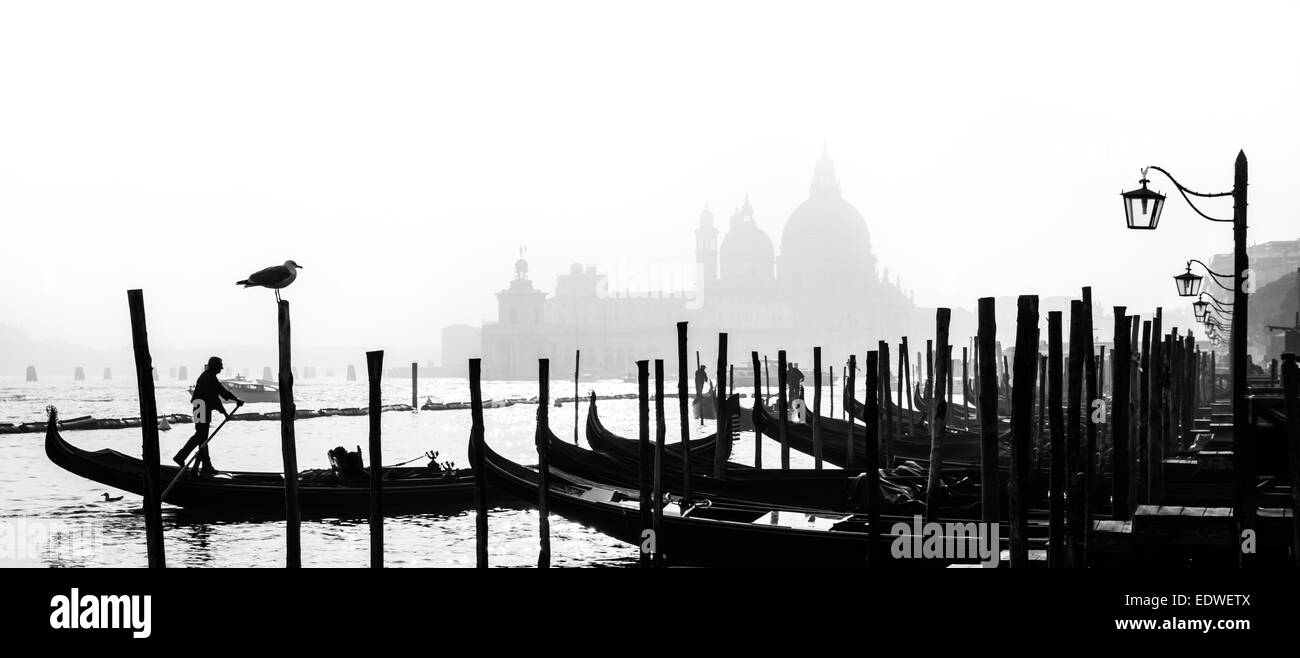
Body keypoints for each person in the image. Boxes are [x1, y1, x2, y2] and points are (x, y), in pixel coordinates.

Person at [174, 356, 243, 476]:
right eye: (220, 365)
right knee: (200, 437)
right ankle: (181, 456)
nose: (222, 367)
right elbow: (216, 397)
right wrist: (227, 411)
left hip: (201, 407)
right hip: (200, 407)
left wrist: (234, 400)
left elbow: (220, 392)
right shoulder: (209, 377)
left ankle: (204, 466)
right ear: (215, 366)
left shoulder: (209, 376)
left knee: (203, 439)